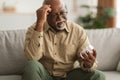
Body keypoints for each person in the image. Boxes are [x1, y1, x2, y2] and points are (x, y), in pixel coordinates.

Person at [22, 0, 105, 80]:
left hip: (69, 75)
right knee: (31, 66)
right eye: (55, 15)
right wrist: (39, 23)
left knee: (98, 75)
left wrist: (88, 64)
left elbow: (85, 59)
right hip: (45, 75)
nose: (60, 18)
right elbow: (32, 57)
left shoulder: (77, 31)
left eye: (62, 13)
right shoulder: (35, 29)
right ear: (46, 16)